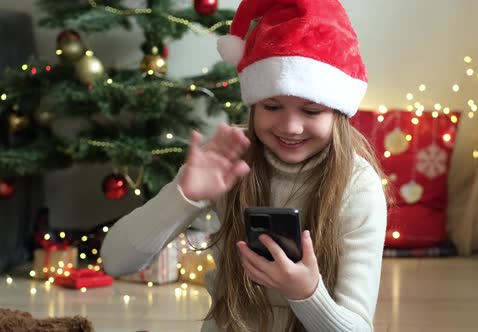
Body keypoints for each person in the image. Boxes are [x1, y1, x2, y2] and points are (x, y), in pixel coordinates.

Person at [100, 0, 388, 331]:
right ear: (254, 105)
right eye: (272, 106)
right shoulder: (226, 159)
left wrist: (307, 294)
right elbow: (115, 260)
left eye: (311, 111)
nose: (290, 126)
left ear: (338, 113)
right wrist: (183, 196)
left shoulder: (358, 187)